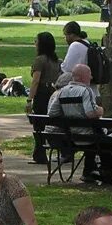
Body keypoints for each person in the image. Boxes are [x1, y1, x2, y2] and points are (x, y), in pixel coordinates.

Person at [46, 63, 112, 185]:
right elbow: (90, 113)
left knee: (94, 136)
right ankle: (104, 171)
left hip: (71, 137)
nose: (91, 77)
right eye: (89, 74)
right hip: (90, 137)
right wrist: (100, 110)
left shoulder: (62, 91)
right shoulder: (85, 91)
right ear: (82, 77)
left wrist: (69, 117)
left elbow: (52, 113)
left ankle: (90, 171)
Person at [27, 32, 62, 163]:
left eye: (36, 41)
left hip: (42, 93)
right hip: (53, 92)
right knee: (50, 122)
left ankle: (40, 153)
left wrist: (29, 99)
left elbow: (35, 81)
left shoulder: (40, 60)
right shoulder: (56, 61)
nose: (35, 44)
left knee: (39, 123)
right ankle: (48, 152)